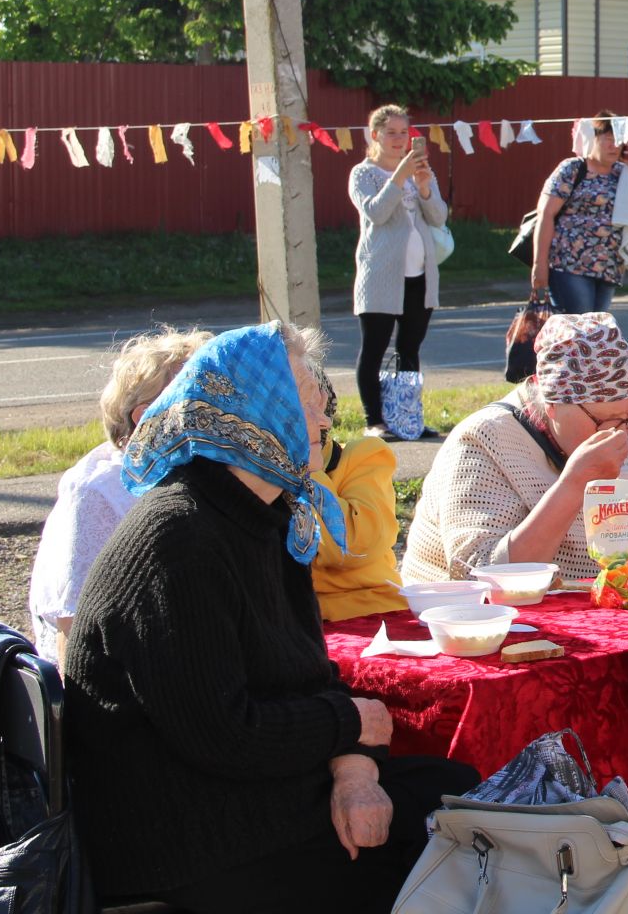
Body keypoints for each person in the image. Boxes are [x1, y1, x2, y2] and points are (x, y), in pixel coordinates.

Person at [62, 322, 478, 912]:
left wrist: (354, 775)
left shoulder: (267, 518)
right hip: (189, 841)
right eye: (308, 402)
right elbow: (222, 733)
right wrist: (349, 723)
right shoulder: (179, 538)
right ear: (258, 413)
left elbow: (312, 680)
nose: (325, 421)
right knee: (467, 846)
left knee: (461, 792)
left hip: (247, 799)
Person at [402, 313, 628, 584]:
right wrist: (574, 484)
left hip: (587, 617)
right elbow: (478, 578)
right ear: (553, 405)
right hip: (471, 626)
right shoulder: (483, 441)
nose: (619, 434)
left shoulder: (620, 432)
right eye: (604, 420)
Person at [27, 325, 212, 662]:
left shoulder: (198, 473)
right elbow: (74, 627)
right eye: (201, 403)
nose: (220, 414)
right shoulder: (97, 490)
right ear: (147, 417)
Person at [350, 103, 446, 440]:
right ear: (374, 134)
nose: (398, 139)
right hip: (380, 276)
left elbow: (438, 217)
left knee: (410, 349)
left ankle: (408, 420)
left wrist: (423, 186)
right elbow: (375, 213)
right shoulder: (363, 174)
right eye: (390, 132)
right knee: (374, 348)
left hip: (420, 276)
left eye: (404, 132)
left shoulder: (417, 172)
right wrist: (399, 176)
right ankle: (374, 420)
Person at [308, 370, 407, 621]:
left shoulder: (365, 455)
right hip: (297, 622)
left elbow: (353, 546)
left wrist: (306, 465)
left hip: (371, 615)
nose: (320, 421)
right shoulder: (254, 473)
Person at [531, 110, 628, 314]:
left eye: (619, 141)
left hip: (609, 268)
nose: (614, 146)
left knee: (595, 332)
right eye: (608, 140)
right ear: (593, 139)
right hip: (569, 265)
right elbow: (546, 215)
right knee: (579, 329)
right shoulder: (572, 169)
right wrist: (539, 264)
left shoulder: (623, 174)